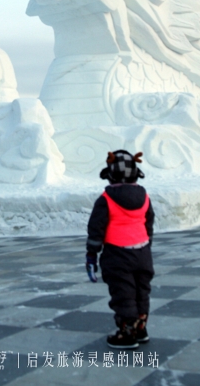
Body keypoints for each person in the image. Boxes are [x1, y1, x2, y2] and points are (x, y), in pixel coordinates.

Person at [85, 149, 155, 349]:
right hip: (142, 252)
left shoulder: (105, 200)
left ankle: (127, 333)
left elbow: (96, 229)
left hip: (117, 254)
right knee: (142, 291)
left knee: (123, 292)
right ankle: (140, 328)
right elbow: (148, 224)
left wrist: (91, 255)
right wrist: (146, 244)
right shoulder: (145, 197)